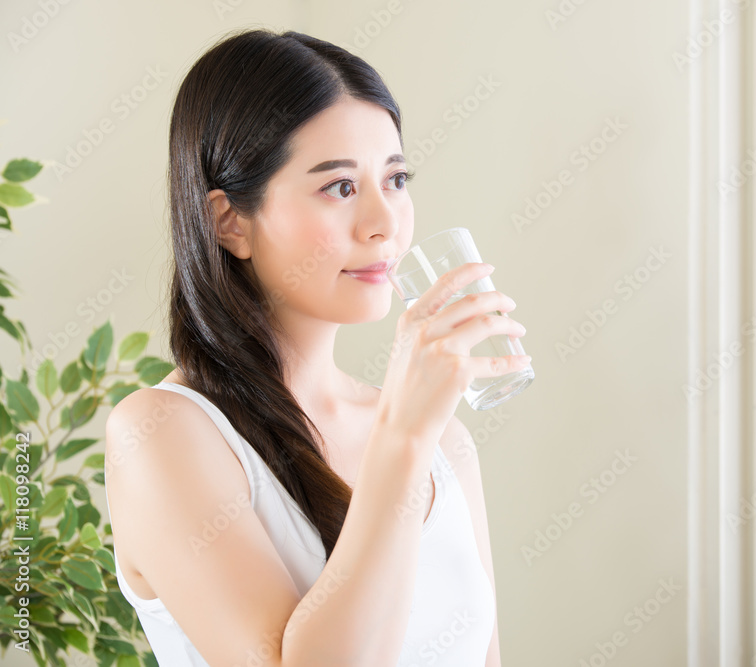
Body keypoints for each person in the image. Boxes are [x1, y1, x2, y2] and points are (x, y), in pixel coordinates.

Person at [103, 28, 529, 666]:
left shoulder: (445, 443)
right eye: (340, 187)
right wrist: (402, 438)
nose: (384, 223)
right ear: (230, 221)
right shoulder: (162, 434)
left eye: (396, 178)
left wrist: (413, 434)